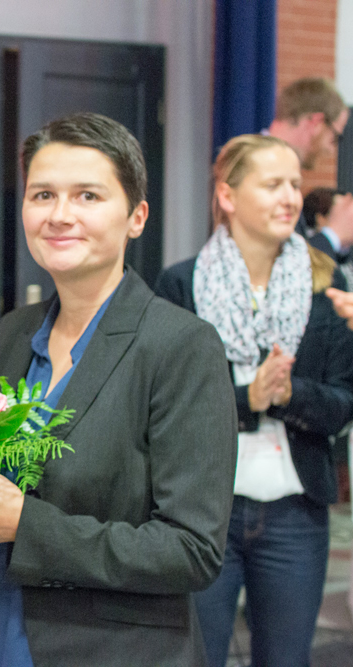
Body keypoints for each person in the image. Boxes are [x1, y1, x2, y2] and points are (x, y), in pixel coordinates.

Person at [0, 113, 238, 666]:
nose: (60, 215)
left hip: (113, 650)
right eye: (43, 194)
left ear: (136, 217)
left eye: (88, 196)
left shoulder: (181, 345)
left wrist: (25, 525)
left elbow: (193, 550)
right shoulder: (14, 333)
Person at [155, 134, 353, 667]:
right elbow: (166, 409)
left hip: (295, 516)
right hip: (202, 514)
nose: (289, 197)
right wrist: (247, 399)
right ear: (227, 195)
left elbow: (341, 404)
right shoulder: (182, 285)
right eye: (272, 185)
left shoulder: (327, 285)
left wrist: (288, 395)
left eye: (295, 184)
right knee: (193, 658)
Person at [265, 77, 348, 237]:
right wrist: (334, 235)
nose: (332, 150)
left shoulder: (272, 166)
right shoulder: (256, 166)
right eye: (335, 137)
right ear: (317, 123)